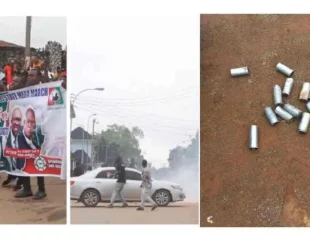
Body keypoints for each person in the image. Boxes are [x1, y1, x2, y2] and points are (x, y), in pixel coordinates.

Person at [15, 107, 46, 199]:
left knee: (39, 164)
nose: (30, 125)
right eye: (28, 121)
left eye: (32, 122)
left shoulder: (39, 135)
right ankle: (27, 189)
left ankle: (42, 190)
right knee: (22, 163)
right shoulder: (20, 135)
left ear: (35, 123)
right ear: (24, 122)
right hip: (25, 158)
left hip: (37, 155)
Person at [2, 107, 23, 190]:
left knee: (21, 156)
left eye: (19, 120)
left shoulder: (25, 133)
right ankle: (11, 176)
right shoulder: (8, 132)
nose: (16, 122)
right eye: (14, 120)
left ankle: (21, 180)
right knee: (8, 152)